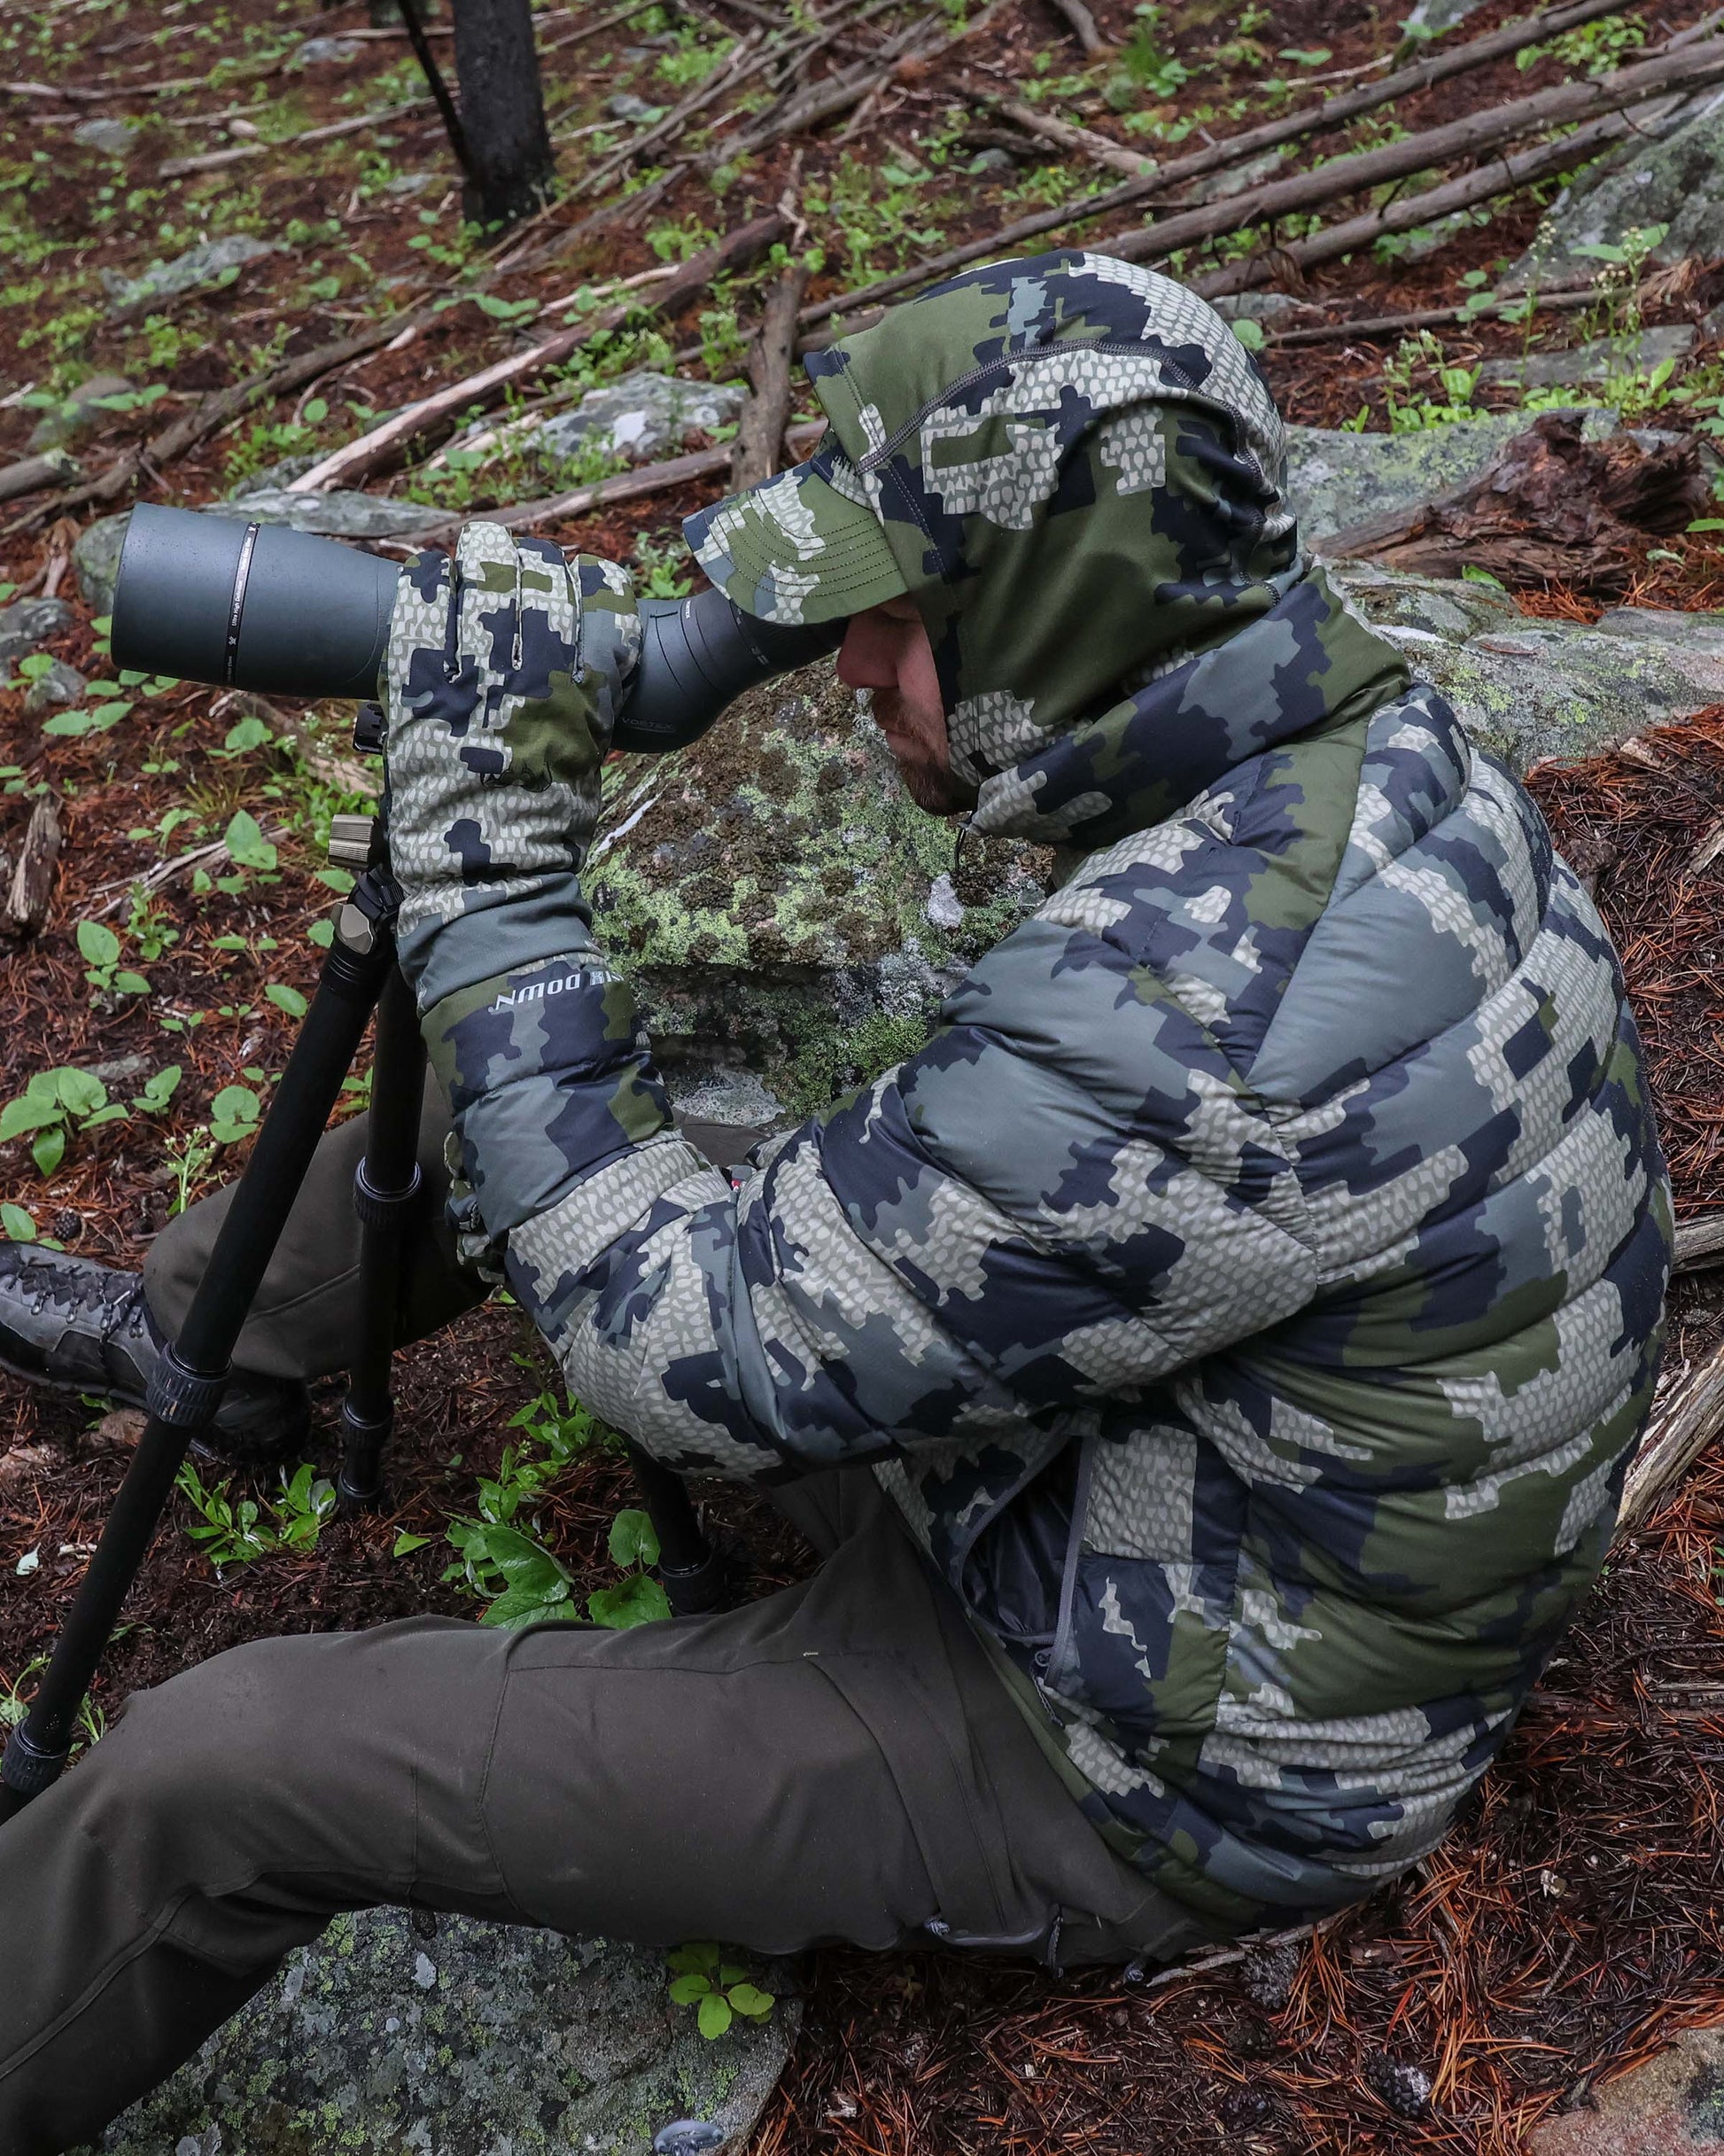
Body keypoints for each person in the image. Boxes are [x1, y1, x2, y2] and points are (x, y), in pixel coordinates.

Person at [0, 252, 1671, 2152]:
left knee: (227, 1766)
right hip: (1147, 1483)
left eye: (893, 619)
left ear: (1044, 612)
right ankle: (203, 1338)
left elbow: (672, 1356)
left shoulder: (1192, 1017)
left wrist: (490, 880)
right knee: (523, 1089)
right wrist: (634, 704)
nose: (856, 669)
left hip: (1143, 1743)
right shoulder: (1346, 734)